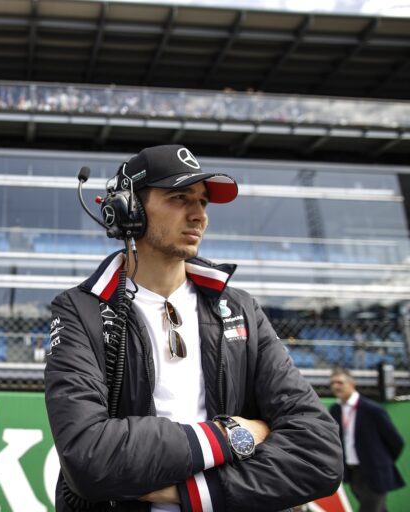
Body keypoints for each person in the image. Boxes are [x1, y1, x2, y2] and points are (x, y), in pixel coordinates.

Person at [44, 144, 342, 511]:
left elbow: (320, 454)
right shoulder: (79, 310)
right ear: (129, 210)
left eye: (202, 202)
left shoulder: (241, 308)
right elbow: (89, 457)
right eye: (179, 198)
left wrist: (190, 495)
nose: (198, 215)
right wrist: (230, 436)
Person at [329, 367, 405, 512]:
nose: (335, 386)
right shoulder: (335, 410)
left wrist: (382, 461)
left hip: (375, 472)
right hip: (354, 472)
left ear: (352, 384)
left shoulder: (372, 409)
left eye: (339, 382)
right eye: (332, 383)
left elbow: (396, 441)